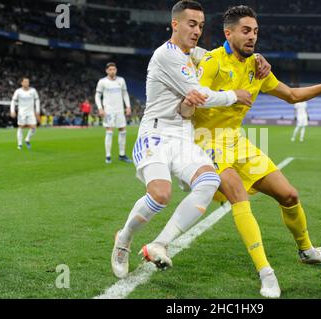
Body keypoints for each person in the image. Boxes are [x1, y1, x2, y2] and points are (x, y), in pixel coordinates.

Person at [148, 5, 321, 298]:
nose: (252, 37)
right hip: (206, 142)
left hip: (237, 142)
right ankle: (266, 272)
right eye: (246, 30)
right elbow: (192, 97)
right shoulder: (212, 62)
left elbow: (293, 96)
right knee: (238, 195)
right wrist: (227, 97)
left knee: (289, 195)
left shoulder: (256, 67)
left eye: (256, 31)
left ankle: (307, 250)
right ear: (228, 32)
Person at [110, 0, 252, 279]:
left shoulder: (192, 54)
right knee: (161, 195)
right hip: (155, 134)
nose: (197, 30)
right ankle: (123, 239)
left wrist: (257, 57)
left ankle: (160, 243)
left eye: (201, 25)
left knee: (210, 180)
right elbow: (203, 95)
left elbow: (220, 53)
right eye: (191, 24)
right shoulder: (167, 55)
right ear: (175, 24)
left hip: (183, 137)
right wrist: (236, 95)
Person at [95, 63, 133, 164]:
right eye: (110, 69)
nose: (112, 71)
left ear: (116, 70)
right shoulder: (102, 82)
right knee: (109, 131)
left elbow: (125, 93)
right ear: (107, 71)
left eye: (114, 69)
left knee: (123, 131)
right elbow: (97, 96)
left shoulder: (121, 80)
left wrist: (128, 106)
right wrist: (100, 108)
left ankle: (122, 154)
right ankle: (108, 156)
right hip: (109, 111)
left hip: (120, 110)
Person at [10, 77, 40, 150]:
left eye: (28, 82)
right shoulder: (18, 91)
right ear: (22, 83)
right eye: (25, 82)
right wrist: (12, 110)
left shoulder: (33, 91)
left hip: (31, 112)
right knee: (21, 127)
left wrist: (37, 111)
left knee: (34, 127)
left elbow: (37, 100)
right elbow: (13, 101)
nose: (27, 83)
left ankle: (27, 139)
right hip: (22, 112)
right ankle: (19, 144)